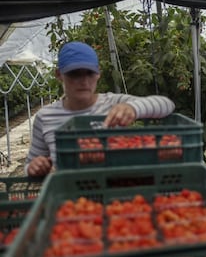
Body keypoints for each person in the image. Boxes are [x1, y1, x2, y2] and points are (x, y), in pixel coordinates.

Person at [25, 41, 175, 177]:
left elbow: (166, 105)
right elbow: (30, 164)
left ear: (98, 74)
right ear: (59, 75)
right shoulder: (45, 117)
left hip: (116, 186)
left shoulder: (113, 103)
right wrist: (34, 167)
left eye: (89, 73)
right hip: (70, 195)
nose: (84, 81)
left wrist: (132, 107)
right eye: (74, 74)